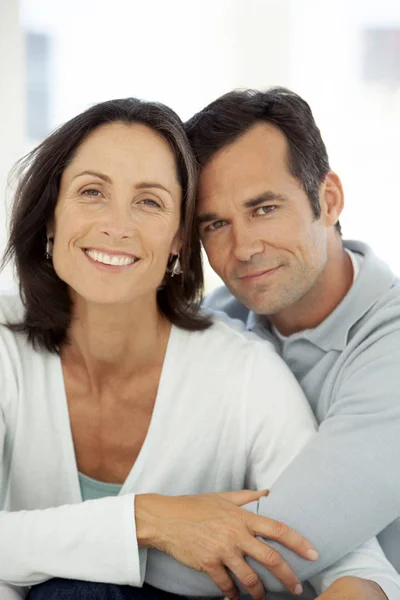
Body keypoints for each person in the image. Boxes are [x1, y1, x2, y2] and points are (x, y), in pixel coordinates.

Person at [1, 97, 393, 600]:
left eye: (149, 201)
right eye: (92, 191)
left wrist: (85, 550)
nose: (117, 226)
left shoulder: (246, 367)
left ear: (176, 242)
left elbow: (345, 560)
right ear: (50, 216)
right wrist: (150, 518)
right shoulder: (238, 310)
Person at [138, 88, 400, 599]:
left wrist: (114, 528)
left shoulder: (391, 347)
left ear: (328, 200)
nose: (244, 248)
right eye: (215, 223)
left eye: (264, 208)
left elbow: (258, 553)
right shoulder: (216, 323)